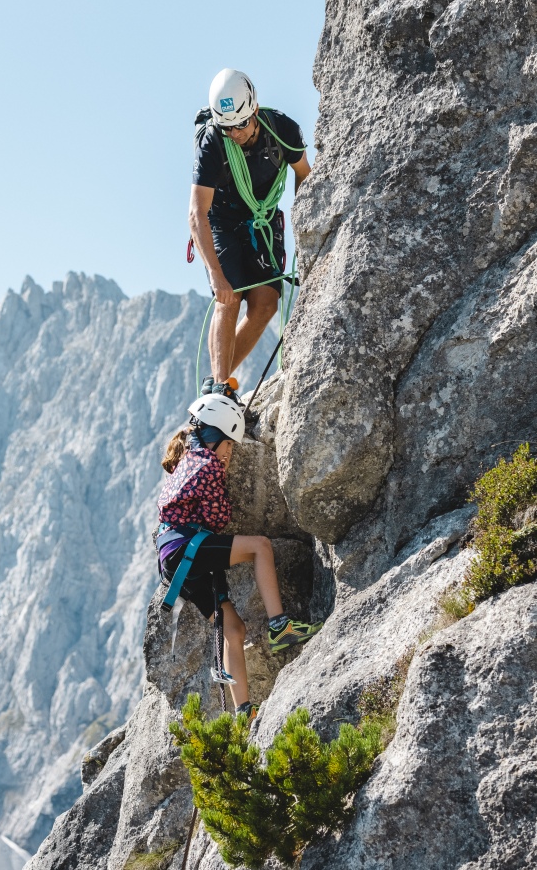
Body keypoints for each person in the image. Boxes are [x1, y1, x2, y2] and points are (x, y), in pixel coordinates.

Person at [155, 393, 319, 718]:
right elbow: (219, 518)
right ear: (215, 438)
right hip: (187, 548)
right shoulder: (208, 465)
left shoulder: (186, 462)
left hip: (172, 561)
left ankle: (243, 709)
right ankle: (280, 625)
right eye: (229, 444)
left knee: (233, 629)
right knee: (260, 546)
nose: (230, 453)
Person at [189, 69, 311, 398]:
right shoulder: (214, 142)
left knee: (265, 305)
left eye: (241, 124)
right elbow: (196, 212)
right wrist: (216, 276)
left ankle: (220, 381)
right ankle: (218, 386)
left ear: (255, 111)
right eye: (228, 127)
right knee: (228, 299)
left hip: (263, 217)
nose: (236, 133)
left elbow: (305, 176)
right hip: (222, 221)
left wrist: (307, 228)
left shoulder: (283, 130)